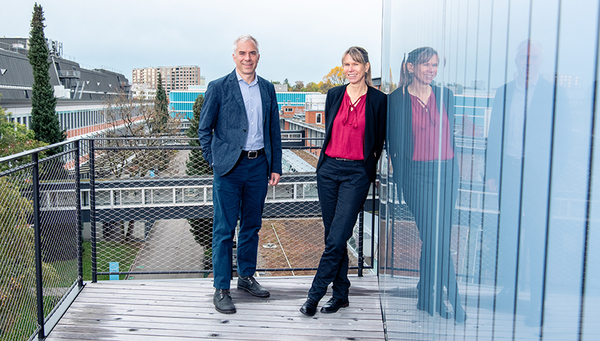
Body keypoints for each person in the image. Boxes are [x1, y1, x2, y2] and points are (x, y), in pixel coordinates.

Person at [485, 40, 568, 327]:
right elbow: (494, 135)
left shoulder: (555, 94)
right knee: (508, 234)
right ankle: (509, 290)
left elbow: (564, 141)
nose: (529, 63)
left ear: (541, 62)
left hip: (537, 178)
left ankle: (537, 303)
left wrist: (553, 179)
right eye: (524, 58)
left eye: (534, 58)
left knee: (536, 237)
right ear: (516, 61)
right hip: (508, 171)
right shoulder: (503, 92)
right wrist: (492, 173)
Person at [198, 34, 282, 314]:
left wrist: (275, 165)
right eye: (243, 53)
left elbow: (274, 131)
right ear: (234, 56)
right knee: (223, 230)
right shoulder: (218, 88)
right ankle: (221, 287)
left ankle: (246, 277)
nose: (248, 58)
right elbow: (204, 130)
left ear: (259, 56)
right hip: (229, 169)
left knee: (251, 226)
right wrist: (215, 161)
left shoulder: (268, 89)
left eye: (253, 53)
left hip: (259, 167)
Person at [299, 46, 387, 316]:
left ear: (366, 67)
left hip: (356, 174)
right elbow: (330, 132)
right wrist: (324, 166)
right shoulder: (334, 94)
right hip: (328, 171)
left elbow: (380, 141)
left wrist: (373, 171)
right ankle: (341, 294)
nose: (351, 69)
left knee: (337, 238)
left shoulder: (378, 100)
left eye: (356, 64)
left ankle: (314, 296)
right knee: (332, 235)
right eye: (347, 64)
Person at [388, 47, 466, 322]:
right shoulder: (395, 101)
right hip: (416, 177)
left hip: (446, 174)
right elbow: (391, 142)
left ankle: (425, 295)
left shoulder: (447, 96)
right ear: (410, 67)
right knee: (435, 237)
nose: (431, 70)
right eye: (426, 65)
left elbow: (450, 134)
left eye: (435, 65)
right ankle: (455, 301)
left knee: (437, 238)